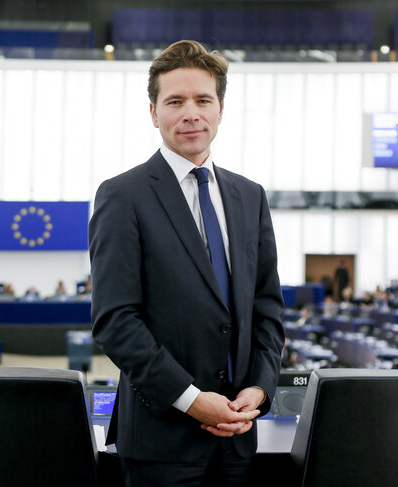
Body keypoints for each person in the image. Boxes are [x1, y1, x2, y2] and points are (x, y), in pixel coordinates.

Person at [89, 40, 285, 487]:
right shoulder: (122, 196)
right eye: (175, 101)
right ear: (154, 112)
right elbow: (115, 321)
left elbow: (268, 308)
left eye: (203, 100)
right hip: (162, 441)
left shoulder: (249, 196)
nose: (190, 113)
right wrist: (192, 400)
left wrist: (258, 390)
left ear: (220, 109)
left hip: (239, 435)